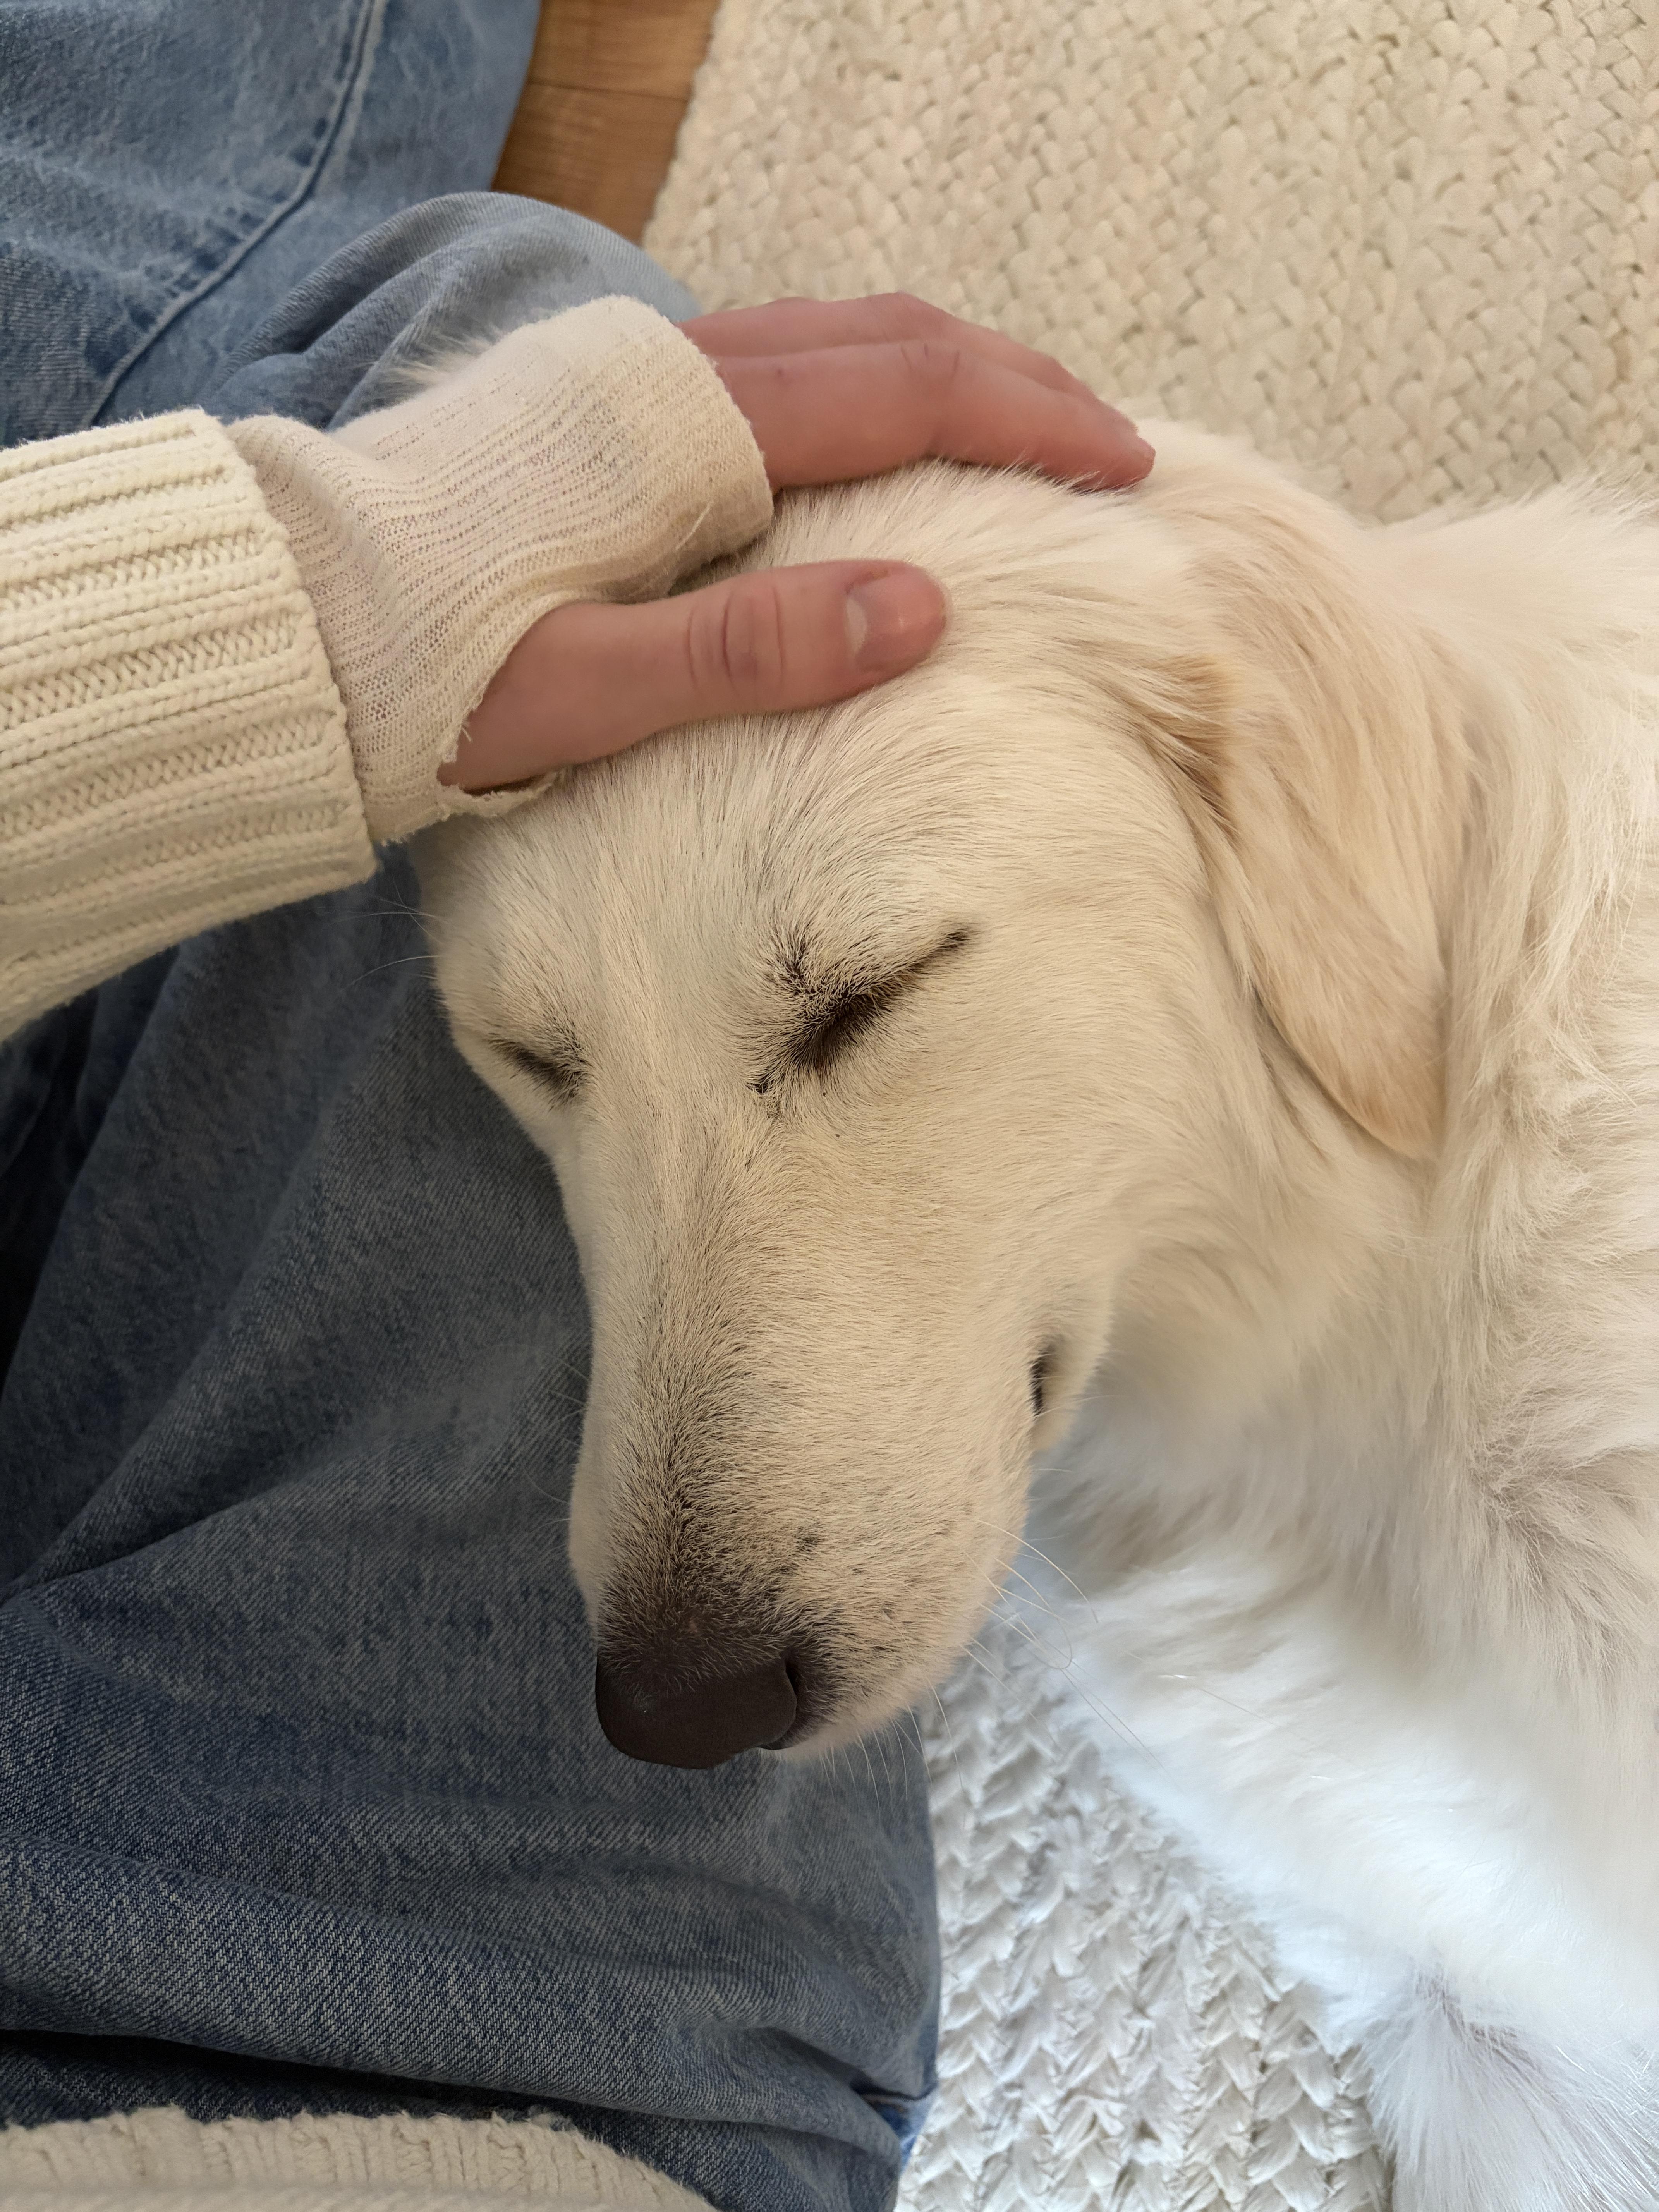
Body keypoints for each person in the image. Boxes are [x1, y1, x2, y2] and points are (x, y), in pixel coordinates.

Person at [0, 5, 1150, 2207]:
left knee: (539, 480)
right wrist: (320, 595)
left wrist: (289, 622)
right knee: (558, 412)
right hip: (438, 2052)